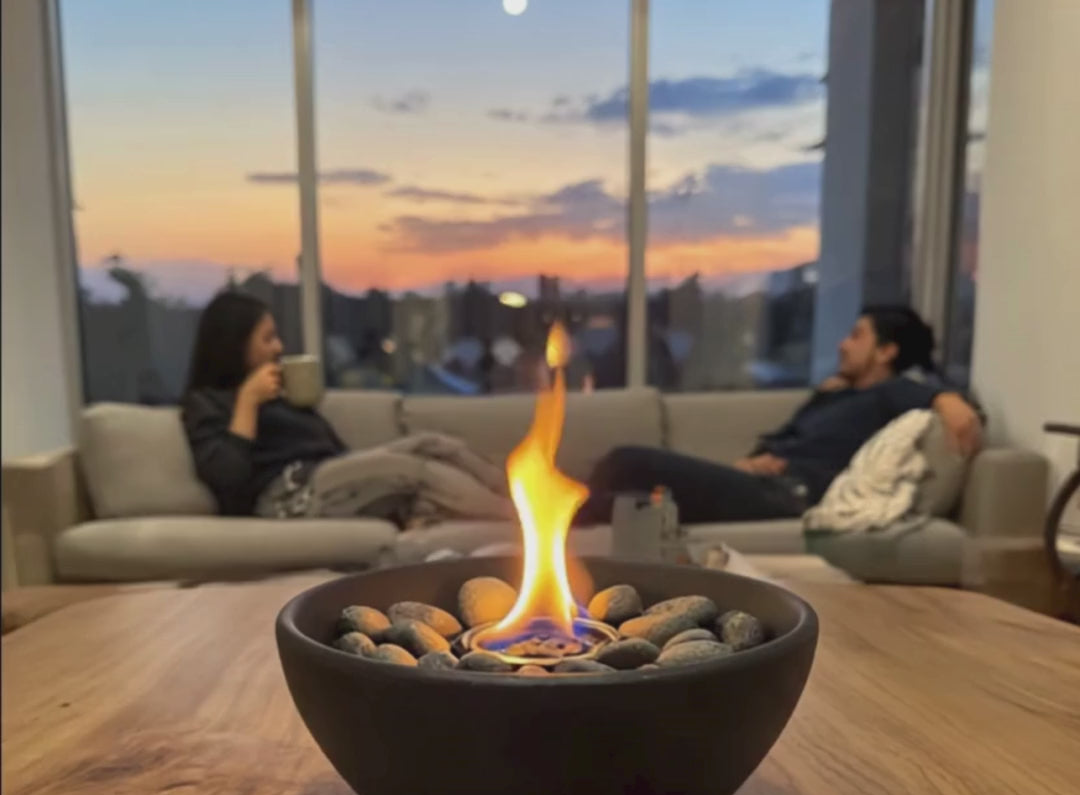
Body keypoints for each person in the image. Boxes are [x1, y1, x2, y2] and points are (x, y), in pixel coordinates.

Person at [577, 305, 982, 526]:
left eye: (856, 335)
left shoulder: (891, 393)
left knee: (629, 460)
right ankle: (557, 514)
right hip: (763, 482)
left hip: (792, 494)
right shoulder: (838, 394)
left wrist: (949, 399)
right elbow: (788, 437)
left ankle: (552, 509)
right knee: (632, 505)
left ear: (887, 351)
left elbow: (950, 404)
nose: (843, 345)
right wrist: (756, 461)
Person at [182, 292, 509, 522]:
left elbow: (324, 445)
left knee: (433, 444)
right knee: (412, 471)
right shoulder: (206, 402)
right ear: (235, 344)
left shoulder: (275, 394)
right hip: (288, 495)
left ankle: (520, 494)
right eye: (268, 339)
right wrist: (247, 402)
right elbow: (228, 480)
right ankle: (519, 519)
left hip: (327, 474)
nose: (279, 348)